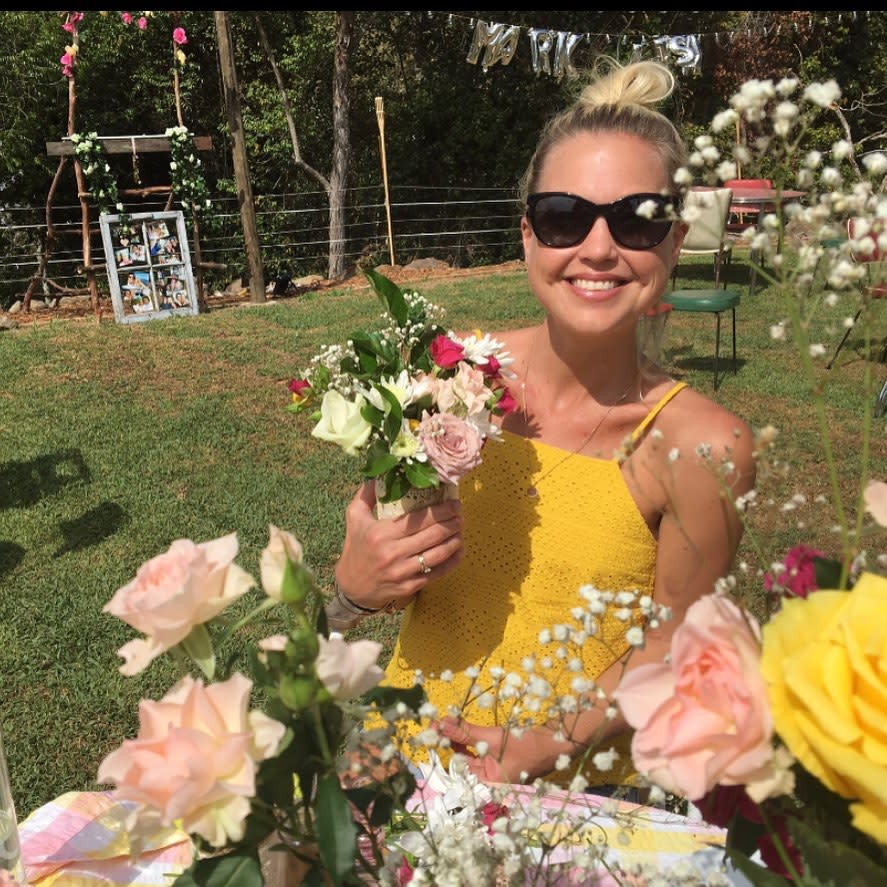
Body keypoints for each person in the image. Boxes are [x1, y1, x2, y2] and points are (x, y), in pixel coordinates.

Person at [325, 58, 756, 789]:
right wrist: (350, 592)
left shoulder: (700, 445)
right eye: (564, 217)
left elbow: (672, 636)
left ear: (675, 241)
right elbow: (375, 560)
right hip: (393, 760)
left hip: (566, 798)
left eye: (635, 220)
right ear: (527, 236)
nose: (596, 248)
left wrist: (544, 741)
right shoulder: (450, 379)